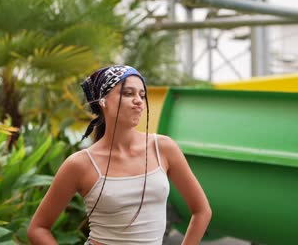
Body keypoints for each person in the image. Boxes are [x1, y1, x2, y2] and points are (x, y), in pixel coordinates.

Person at [28, 65, 211, 245]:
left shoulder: (163, 148)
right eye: (128, 93)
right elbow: (38, 228)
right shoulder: (80, 164)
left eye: (141, 95)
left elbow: (202, 211)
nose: (139, 101)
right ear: (103, 101)